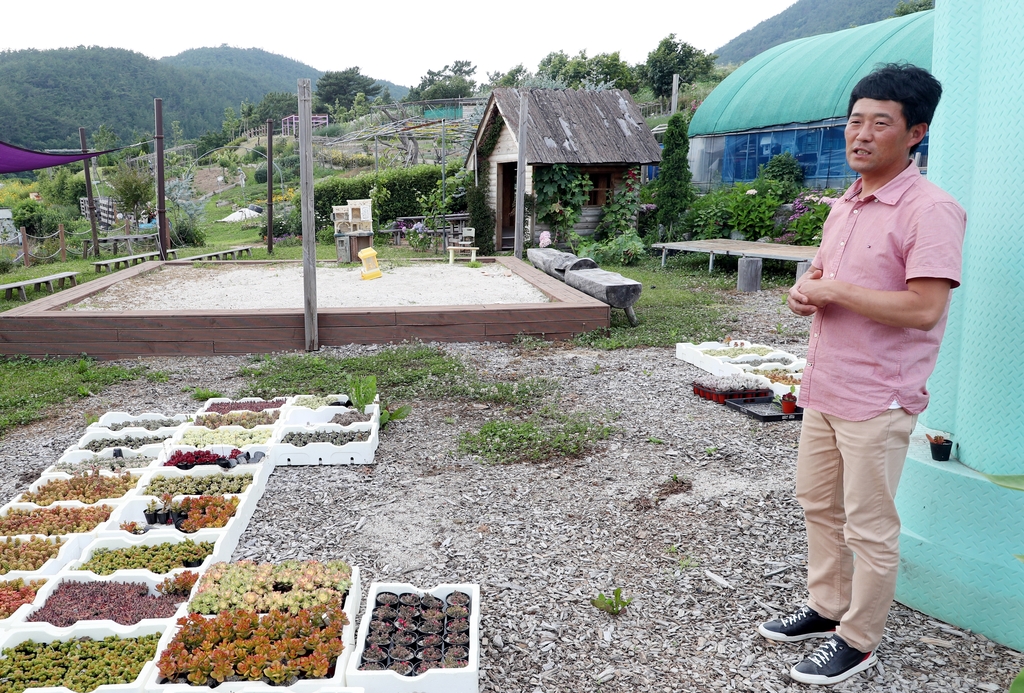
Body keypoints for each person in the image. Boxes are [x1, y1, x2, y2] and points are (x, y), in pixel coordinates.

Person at [757, 63, 967, 686]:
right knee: (817, 502)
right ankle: (826, 606)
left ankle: (860, 637)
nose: (862, 134)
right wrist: (805, 293)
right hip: (827, 383)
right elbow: (824, 282)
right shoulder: (845, 205)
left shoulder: (931, 210)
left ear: (916, 134)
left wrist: (839, 292)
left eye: (881, 123)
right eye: (855, 121)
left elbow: (925, 307)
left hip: (880, 394)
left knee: (869, 524)